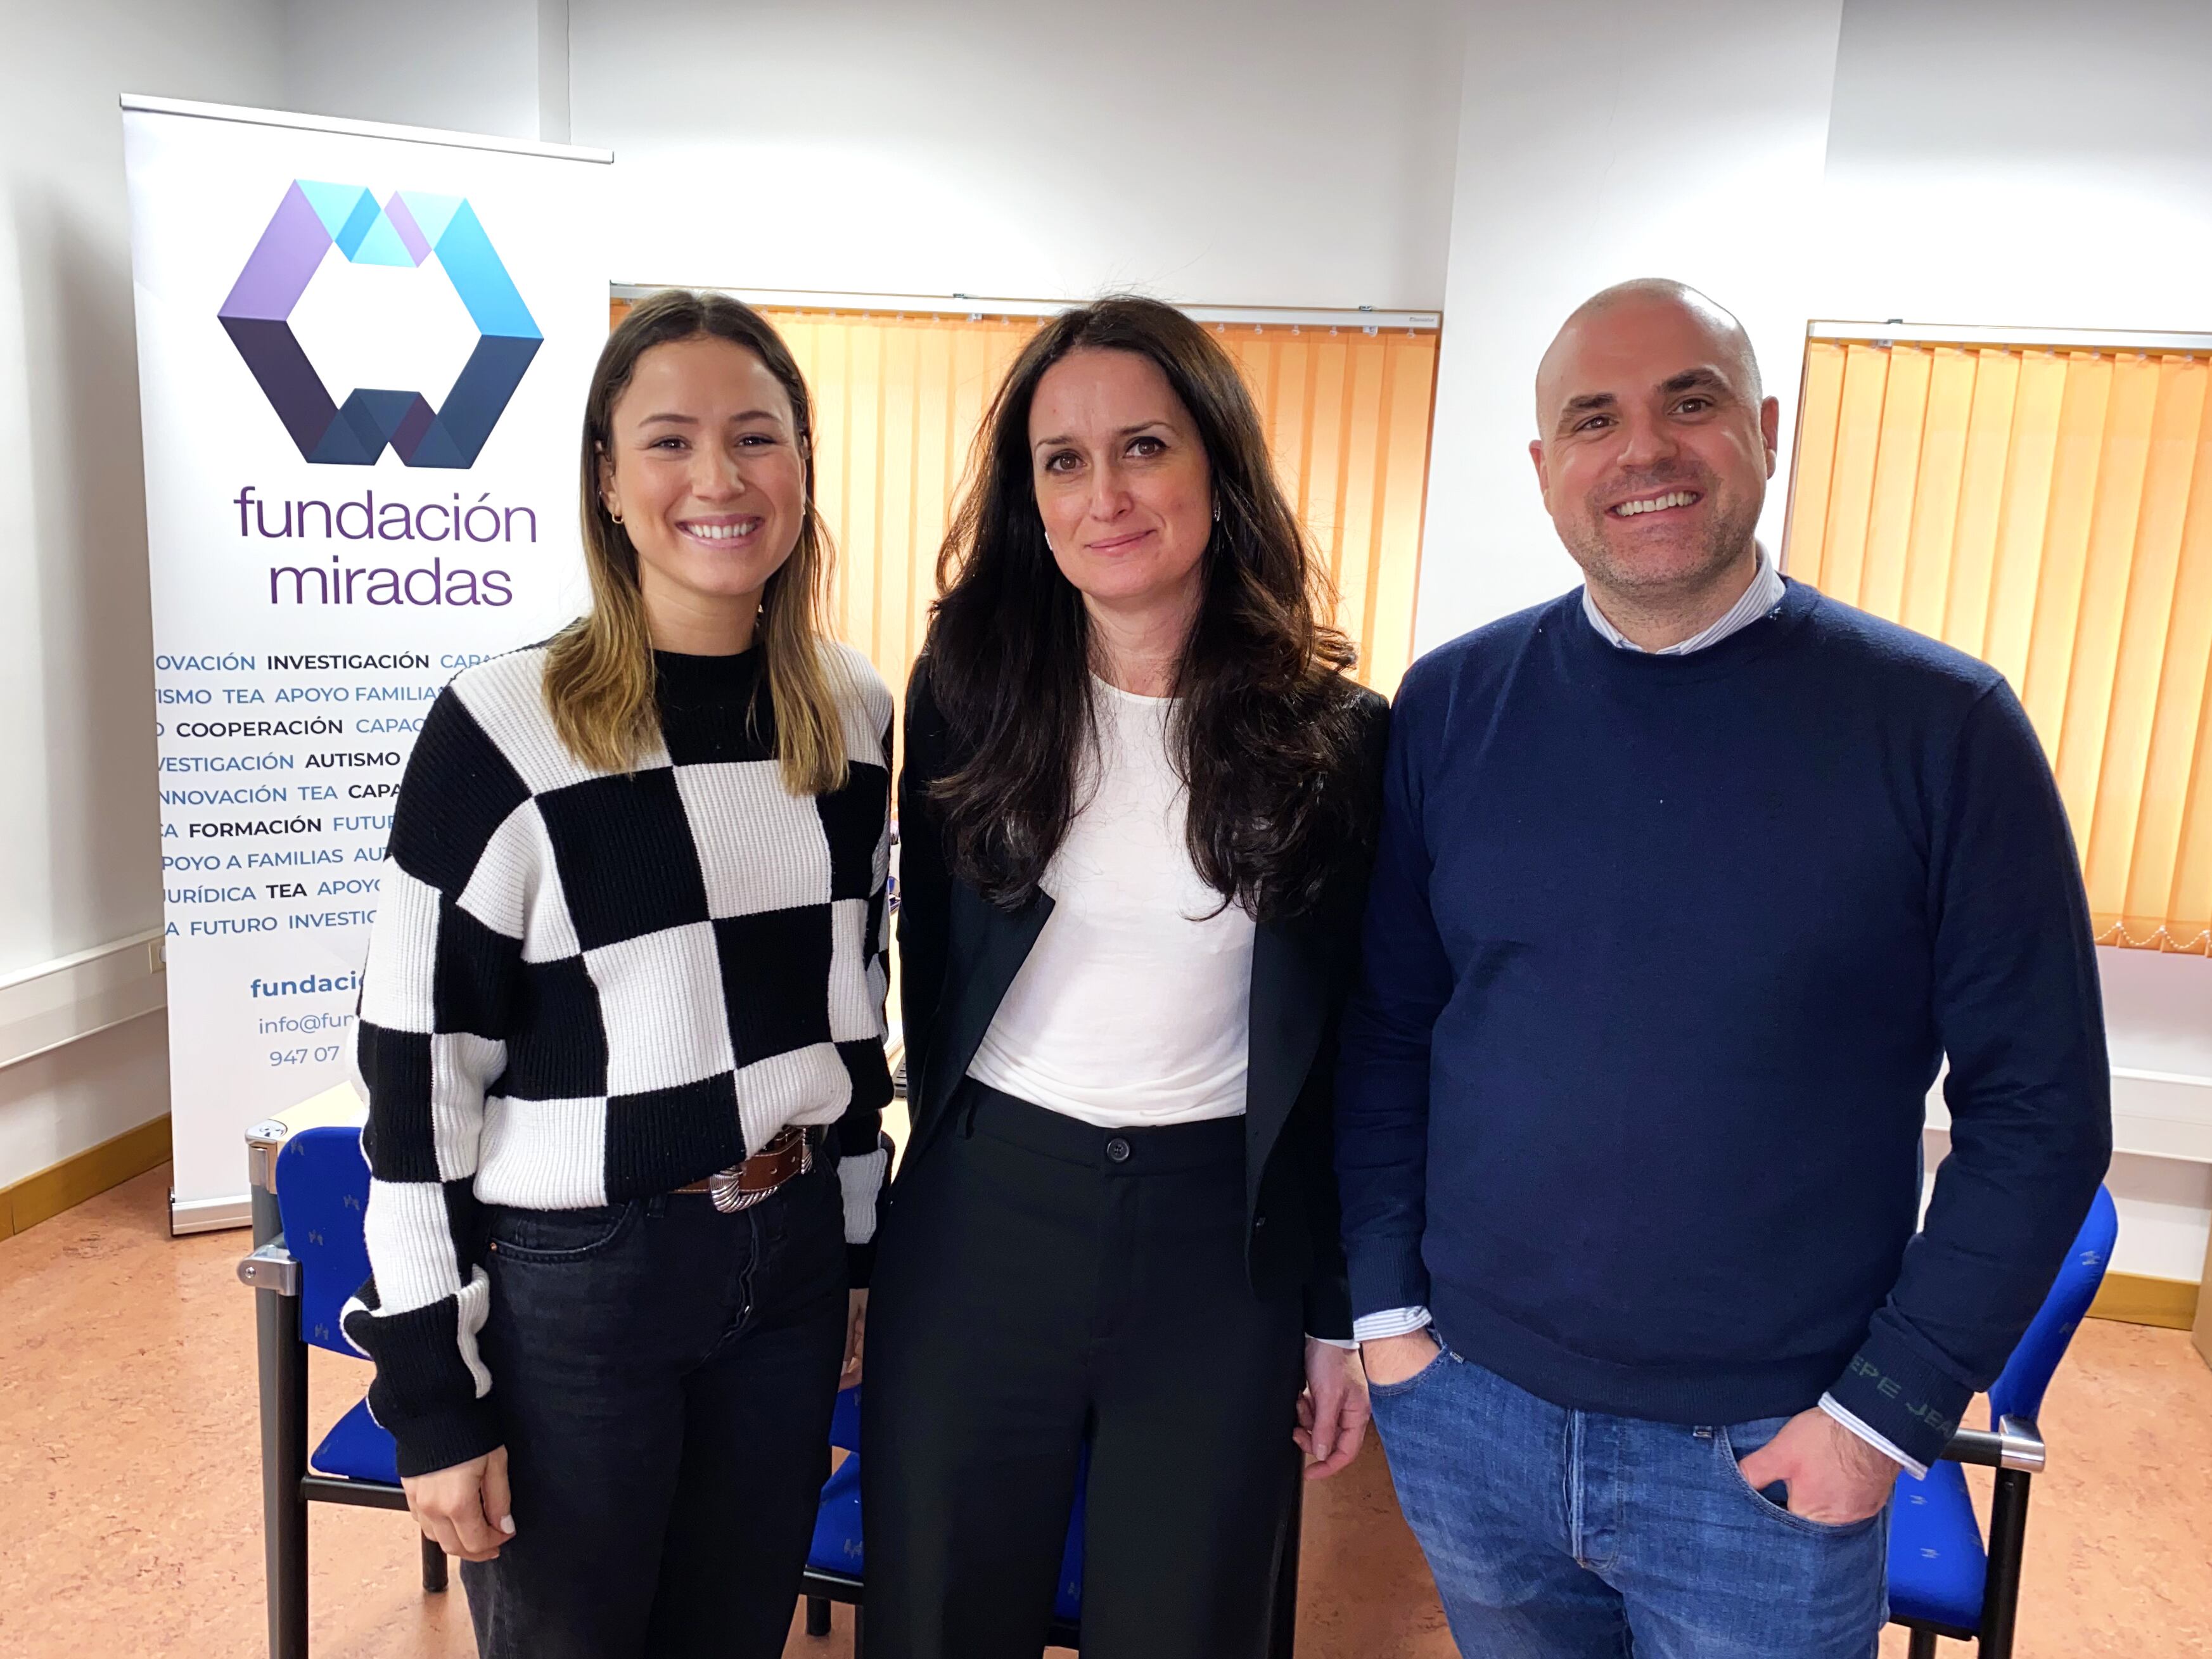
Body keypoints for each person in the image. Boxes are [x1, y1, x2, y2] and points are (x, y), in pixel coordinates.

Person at [1337, 278, 2112, 1658]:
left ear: (1762, 429)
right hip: (1475, 1422)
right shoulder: (1453, 707)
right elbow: (1389, 1030)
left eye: (1687, 401)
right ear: (1543, 469)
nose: (1642, 450)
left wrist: (1886, 1415)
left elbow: (2043, 1115)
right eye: (1594, 418)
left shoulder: (1944, 730)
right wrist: (1392, 1325)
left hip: (1771, 1456)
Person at [340, 289, 895, 1659]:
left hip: (787, 1261)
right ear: (605, 476)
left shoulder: (854, 711)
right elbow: (417, 1089)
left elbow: (852, 1008)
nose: (718, 478)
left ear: (804, 469)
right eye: (669, 440)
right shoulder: (502, 728)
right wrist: (433, 1398)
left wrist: (862, 1251)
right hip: (582, 1283)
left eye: (756, 437)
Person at [865, 295, 1388, 1659]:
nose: (1106, 494)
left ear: (1217, 464)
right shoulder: (969, 693)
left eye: (1143, 446)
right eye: (1063, 460)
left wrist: (1337, 1312)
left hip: (1222, 1250)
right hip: (986, 1218)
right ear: (1029, 498)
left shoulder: (1336, 738)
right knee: (937, 1621)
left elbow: (1351, 1058)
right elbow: (922, 976)